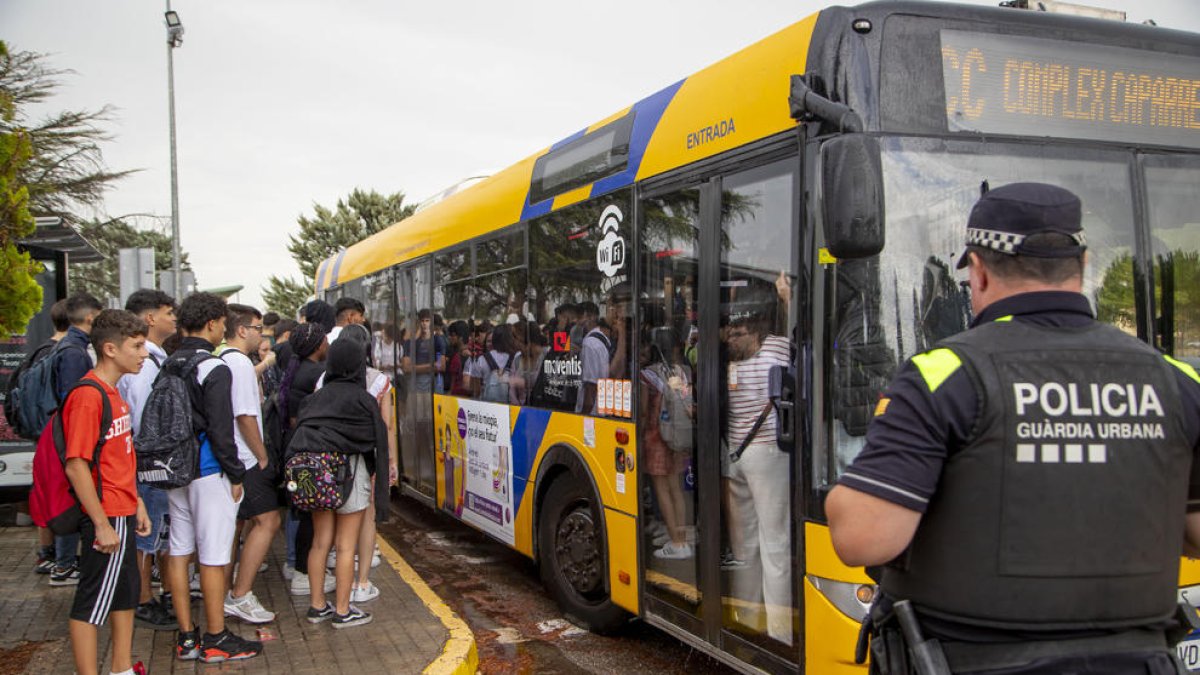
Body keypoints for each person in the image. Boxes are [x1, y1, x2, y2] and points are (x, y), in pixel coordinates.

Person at [827, 183, 1200, 673]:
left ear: (978, 272)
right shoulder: (1176, 380)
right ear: (1083, 266)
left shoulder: (945, 375)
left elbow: (864, 538)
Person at [163, 292, 261, 663]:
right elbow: (222, 430)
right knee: (214, 555)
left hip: (175, 471)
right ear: (211, 324)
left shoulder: (169, 363)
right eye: (222, 322)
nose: (223, 328)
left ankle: (187, 637)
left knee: (179, 550)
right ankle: (217, 636)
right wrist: (235, 472)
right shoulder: (213, 367)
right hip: (207, 470)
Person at [62, 309, 152, 675]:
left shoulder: (112, 393)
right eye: (137, 345)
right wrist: (101, 522)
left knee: (124, 591)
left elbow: (119, 457)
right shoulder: (89, 395)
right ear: (110, 349)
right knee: (93, 600)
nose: (144, 353)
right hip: (107, 512)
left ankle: (121, 667)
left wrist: (138, 501)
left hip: (122, 508)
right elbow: (76, 463)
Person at [287, 337, 390, 629]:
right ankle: (343, 611)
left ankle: (317, 605)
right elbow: (374, 442)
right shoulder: (363, 400)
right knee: (346, 546)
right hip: (350, 474)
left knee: (320, 543)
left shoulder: (314, 398)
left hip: (316, 477)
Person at [722, 305, 792, 646]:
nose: (732, 338)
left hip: (739, 455)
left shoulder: (731, 364)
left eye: (738, 333)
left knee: (750, 545)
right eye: (730, 333)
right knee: (770, 544)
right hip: (760, 456)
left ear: (754, 333)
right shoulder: (774, 349)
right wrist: (783, 299)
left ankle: (749, 619)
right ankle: (778, 630)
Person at [318, 323, 398, 603]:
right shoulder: (379, 381)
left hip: (327, 462)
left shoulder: (322, 382)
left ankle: (321, 598)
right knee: (366, 518)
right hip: (366, 460)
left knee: (328, 531)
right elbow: (386, 427)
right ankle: (361, 583)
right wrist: (391, 462)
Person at [118, 289, 178, 631]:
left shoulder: (153, 359)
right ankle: (143, 599)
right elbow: (143, 418)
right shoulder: (143, 366)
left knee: (158, 533)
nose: (174, 318)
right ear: (150, 318)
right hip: (148, 462)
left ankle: (157, 594)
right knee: (148, 535)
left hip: (150, 461)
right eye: (168, 312)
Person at [218, 304, 281, 625]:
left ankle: (225, 592)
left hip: (230, 458)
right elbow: (245, 416)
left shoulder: (222, 361)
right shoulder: (240, 363)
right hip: (245, 458)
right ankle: (240, 594)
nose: (261, 334)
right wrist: (262, 456)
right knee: (268, 521)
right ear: (242, 330)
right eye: (258, 328)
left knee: (237, 526)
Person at [50, 292, 104, 587]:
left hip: (71, 442)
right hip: (75, 446)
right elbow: (76, 404)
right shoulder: (74, 352)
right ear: (91, 318)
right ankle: (66, 565)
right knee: (75, 502)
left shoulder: (70, 346)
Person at [32, 298, 70, 575]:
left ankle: (47, 554)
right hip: (58, 435)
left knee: (44, 494)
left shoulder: (42, 349)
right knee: (62, 495)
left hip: (45, 433)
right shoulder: (66, 353)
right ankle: (63, 562)